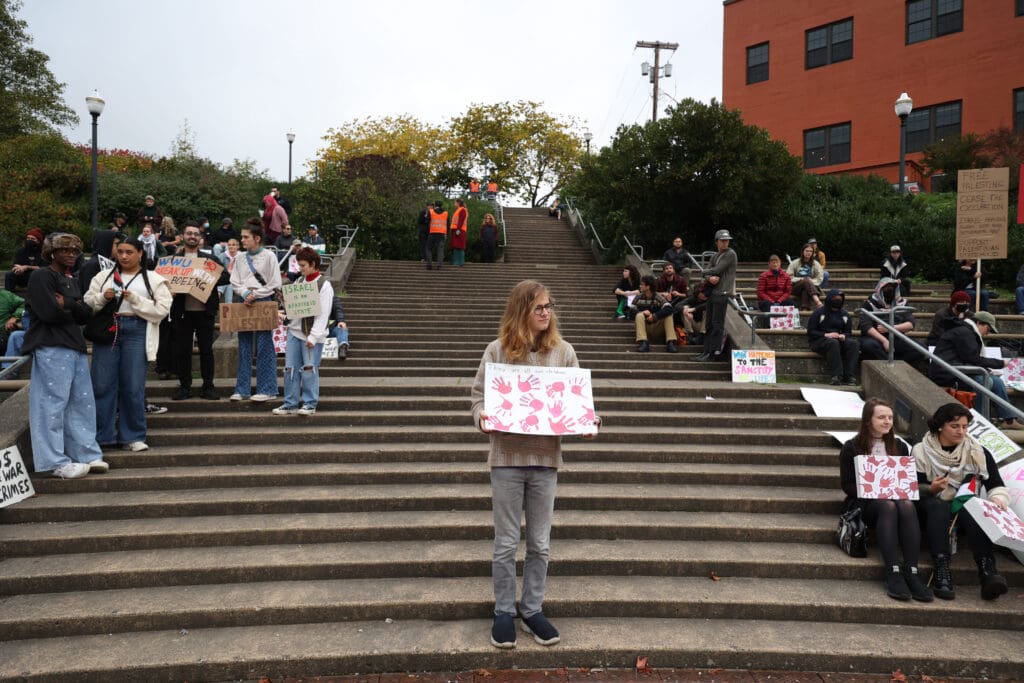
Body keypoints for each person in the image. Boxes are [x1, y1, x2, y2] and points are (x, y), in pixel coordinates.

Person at [470, 279, 600, 649]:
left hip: (545, 460)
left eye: (549, 306)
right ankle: (503, 612)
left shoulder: (564, 352)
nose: (547, 313)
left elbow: (579, 403)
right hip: (507, 459)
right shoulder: (496, 351)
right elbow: (477, 398)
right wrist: (481, 417)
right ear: (521, 311)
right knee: (506, 542)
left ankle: (532, 608)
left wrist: (589, 422)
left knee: (540, 543)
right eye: (539, 307)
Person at [24, 233, 105, 479]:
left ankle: (86, 453)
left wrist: (66, 303)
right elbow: (49, 313)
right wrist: (73, 306)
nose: (70, 255)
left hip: (74, 345)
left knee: (81, 403)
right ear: (52, 252)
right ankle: (53, 462)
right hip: (51, 344)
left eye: (74, 251)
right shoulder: (41, 276)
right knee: (51, 404)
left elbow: (84, 313)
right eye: (64, 250)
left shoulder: (71, 280)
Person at [913, 402, 1012, 601]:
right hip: (930, 508)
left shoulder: (978, 451)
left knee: (973, 507)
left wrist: (997, 498)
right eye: (955, 426)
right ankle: (942, 570)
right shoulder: (920, 450)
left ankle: (987, 572)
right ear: (940, 426)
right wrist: (931, 488)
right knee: (938, 506)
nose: (961, 431)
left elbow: (996, 484)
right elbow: (912, 488)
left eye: (965, 427)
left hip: (963, 507)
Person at [839, 399, 933, 602]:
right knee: (888, 506)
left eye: (890, 417)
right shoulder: (852, 447)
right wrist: (870, 489)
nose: (887, 421)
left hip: (896, 499)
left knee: (906, 505)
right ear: (868, 420)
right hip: (866, 502)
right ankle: (893, 570)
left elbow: (907, 478)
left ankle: (912, 571)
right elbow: (846, 485)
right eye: (881, 417)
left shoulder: (899, 445)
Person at [86, 237, 173, 452]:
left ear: (140, 253)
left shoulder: (153, 279)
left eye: (129, 252)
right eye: (121, 251)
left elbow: (162, 309)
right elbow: (87, 303)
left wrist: (135, 300)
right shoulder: (103, 276)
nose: (124, 256)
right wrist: (102, 297)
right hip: (109, 330)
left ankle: (133, 435)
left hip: (137, 329)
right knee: (102, 384)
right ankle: (102, 436)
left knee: (133, 386)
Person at [271, 248, 333, 416]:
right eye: (299, 265)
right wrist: (286, 308)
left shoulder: (324, 285)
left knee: (309, 369)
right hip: (294, 331)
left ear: (313, 265)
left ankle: (310, 403)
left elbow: (323, 314)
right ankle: (290, 403)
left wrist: (313, 337)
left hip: (311, 335)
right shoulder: (298, 282)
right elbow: (295, 309)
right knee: (289, 369)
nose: (300, 268)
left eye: (303, 265)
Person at [170, 222, 227, 401]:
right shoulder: (173, 259)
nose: (192, 236)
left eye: (196, 234)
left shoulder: (208, 260)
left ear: (200, 238)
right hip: (182, 311)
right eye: (189, 233)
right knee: (183, 350)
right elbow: (161, 279)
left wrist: (206, 278)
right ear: (183, 236)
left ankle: (208, 387)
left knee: (206, 350)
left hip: (205, 311)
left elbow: (225, 276)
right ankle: (185, 386)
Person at [929, 311, 1017, 427]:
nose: (988, 333)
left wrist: (990, 368)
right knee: (984, 381)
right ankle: (980, 421)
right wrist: (1000, 363)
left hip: (957, 369)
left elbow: (969, 358)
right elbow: (972, 358)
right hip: (947, 373)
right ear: (979, 323)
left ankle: (1008, 420)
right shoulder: (965, 332)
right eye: (988, 329)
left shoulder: (966, 331)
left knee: (997, 382)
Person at [230, 220, 282, 402]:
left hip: (263, 299)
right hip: (243, 300)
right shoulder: (239, 257)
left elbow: (275, 283)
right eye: (242, 236)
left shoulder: (269, 256)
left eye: (246, 237)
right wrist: (244, 292)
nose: (242, 240)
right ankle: (242, 389)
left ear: (257, 238)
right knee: (243, 345)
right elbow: (234, 280)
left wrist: (257, 293)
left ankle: (267, 388)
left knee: (264, 345)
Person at [858, 277, 924, 364]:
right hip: (875, 338)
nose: (890, 289)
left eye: (893, 287)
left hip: (895, 337)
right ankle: (888, 365)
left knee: (920, 348)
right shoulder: (869, 303)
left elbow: (910, 324)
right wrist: (884, 341)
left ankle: (899, 366)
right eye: (887, 287)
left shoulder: (901, 303)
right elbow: (866, 326)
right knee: (869, 346)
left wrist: (890, 328)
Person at [695, 229, 737, 362]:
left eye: (727, 240)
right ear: (717, 242)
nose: (725, 243)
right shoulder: (715, 256)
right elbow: (709, 273)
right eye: (722, 240)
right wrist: (708, 277)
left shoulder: (731, 254)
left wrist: (704, 273)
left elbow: (717, 270)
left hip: (723, 292)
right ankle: (706, 350)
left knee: (717, 323)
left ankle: (713, 352)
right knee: (709, 324)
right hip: (713, 292)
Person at [807, 289, 858, 385]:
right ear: (829, 299)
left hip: (839, 340)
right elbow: (811, 331)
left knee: (854, 344)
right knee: (833, 343)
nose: (838, 300)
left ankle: (849, 376)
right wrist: (826, 335)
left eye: (840, 299)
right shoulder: (819, 313)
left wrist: (844, 335)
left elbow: (848, 332)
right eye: (835, 298)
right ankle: (836, 376)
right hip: (819, 341)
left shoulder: (845, 315)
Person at [630, 274, 679, 353]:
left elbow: (669, 308)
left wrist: (655, 316)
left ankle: (670, 342)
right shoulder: (638, 297)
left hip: (657, 327)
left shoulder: (657, 296)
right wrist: (642, 312)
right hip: (645, 328)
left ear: (648, 287)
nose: (640, 286)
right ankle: (643, 342)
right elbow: (630, 312)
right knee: (639, 315)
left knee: (668, 315)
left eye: (642, 284)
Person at [756, 254, 794, 326]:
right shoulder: (763, 276)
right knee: (767, 305)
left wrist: (779, 300)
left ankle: (788, 325)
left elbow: (787, 291)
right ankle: (767, 327)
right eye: (773, 262)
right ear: (769, 264)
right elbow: (760, 292)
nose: (775, 264)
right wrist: (772, 301)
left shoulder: (786, 276)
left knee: (791, 303)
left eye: (777, 262)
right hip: (767, 301)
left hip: (781, 300)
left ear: (780, 263)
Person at [787, 243, 824, 311]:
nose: (809, 253)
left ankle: (804, 309)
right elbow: (789, 277)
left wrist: (809, 281)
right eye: (807, 251)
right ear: (803, 251)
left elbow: (819, 278)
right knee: (806, 280)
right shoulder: (795, 263)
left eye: (811, 251)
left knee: (805, 288)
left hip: (811, 287)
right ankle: (817, 301)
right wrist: (801, 279)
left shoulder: (816, 264)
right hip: (796, 287)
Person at [426, 201, 448, 271]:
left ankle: (429, 265)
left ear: (435, 205)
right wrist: (447, 233)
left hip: (432, 233)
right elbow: (448, 224)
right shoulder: (446, 213)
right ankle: (439, 266)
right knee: (440, 250)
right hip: (441, 234)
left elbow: (427, 221)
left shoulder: (431, 211)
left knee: (429, 249)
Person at [217, 238, 240, 304]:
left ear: (238, 246)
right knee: (228, 282)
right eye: (229, 245)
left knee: (228, 281)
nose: (231, 246)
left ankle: (218, 293)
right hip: (226, 280)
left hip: (238, 280)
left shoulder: (241, 257)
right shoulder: (222, 256)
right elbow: (218, 270)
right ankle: (228, 304)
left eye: (233, 245)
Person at [328, 295, 350, 361]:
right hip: (315, 331)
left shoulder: (333, 298)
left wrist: (341, 321)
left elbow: (338, 309)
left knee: (342, 328)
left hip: (330, 328)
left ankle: (343, 346)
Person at [449, 198, 469, 267]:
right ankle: (456, 261)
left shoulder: (462, 210)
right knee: (456, 246)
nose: (454, 204)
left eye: (455, 203)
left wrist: (458, 229)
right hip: (457, 230)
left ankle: (459, 262)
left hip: (459, 230)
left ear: (458, 203)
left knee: (459, 246)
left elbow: (461, 220)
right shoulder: (459, 210)